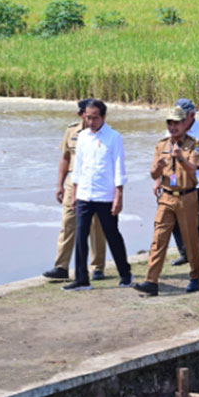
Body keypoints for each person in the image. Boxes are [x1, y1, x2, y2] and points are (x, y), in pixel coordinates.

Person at [134, 106, 199, 296]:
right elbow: (153, 173)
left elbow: (193, 169)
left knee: (190, 239)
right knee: (158, 239)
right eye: (169, 123)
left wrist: (180, 158)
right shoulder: (161, 145)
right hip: (166, 197)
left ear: (184, 124)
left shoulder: (194, 144)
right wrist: (158, 168)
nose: (173, 127)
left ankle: (195, 276)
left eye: (176, 123)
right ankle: (151, 281)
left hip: (187, 197)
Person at [64, 99, 133, 291]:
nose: (91, 121)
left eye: (95, 118)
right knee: (80, 237)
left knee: (112, 236)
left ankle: (125, 274)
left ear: (103, 117)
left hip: (106, 196)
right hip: (84, 194)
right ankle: (81, 279)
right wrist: (74, 193)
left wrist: (119, 195)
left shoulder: (113, 137)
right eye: (88, 117)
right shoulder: (83, 136)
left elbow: (119, 168)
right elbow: (78, 166)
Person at [42, 99, 107, 281]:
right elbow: (65, 158)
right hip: (73, 180)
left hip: (94, 182)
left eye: (90, 115)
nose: (86, 118)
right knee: (68, 223)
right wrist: (59, 184)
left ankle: (97, 267)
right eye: (84, 115)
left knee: (96, 226)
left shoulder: (104, 133)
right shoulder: (71, 131)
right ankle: (61, 267)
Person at [170, 98, 199, 265]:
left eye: (182, 117)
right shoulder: (171, 130)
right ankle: (184, 251)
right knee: (174, 214)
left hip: (198, 179)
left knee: (191, 215)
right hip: (175, 179)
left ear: (192, 115)